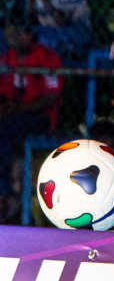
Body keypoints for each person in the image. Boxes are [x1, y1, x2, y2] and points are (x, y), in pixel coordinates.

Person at [0, 23, 62, 221]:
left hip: (38, 116)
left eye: (20, 33)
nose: (15, 38)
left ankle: (5, 195)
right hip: (11, 113)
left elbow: (49, 98)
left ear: (30, 34)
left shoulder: (47, 58)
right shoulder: (6, 57)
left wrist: (18, 108)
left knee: (5, 129)